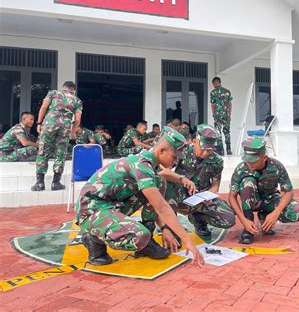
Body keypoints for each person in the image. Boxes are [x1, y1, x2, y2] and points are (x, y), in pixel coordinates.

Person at [75, 126, 204, 267]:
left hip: (111, 204)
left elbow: (162, 181)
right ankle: (94, 239)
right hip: (91, 209)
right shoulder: (142, 166)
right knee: (139, 236)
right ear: (161, 151)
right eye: (175, 157)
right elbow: (161, 207)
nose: (175, 162)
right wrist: (188, 241)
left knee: (159, 182)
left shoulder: (149, 163)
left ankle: (146, 240)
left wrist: (165, 229)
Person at [159, 124, 235, 237]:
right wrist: (182, 180)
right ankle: (171, 228)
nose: (205, 153)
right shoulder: (181, 152)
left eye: (209, 150)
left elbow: (215, 185)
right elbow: (162, 172)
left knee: (229, 219)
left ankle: (198, 219)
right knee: (168, 184)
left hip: (200, 198)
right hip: (179, 196)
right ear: (194, 141)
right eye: (203, 149)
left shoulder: (216, 161)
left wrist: (209, 196)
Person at [228, 137, 299, 244]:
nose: (249, 163)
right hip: (251, 203)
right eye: (247, 159)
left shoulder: (276, 166)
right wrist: (243, 221)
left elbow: (289, 192)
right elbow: (232, 196)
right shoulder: (241, 169)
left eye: (253, 160)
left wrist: (276, 213)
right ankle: (248, 229)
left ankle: (264, 216)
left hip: (270, 200)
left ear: (264, 157)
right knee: (247, 182)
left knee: (297, 211)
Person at [32, 81, 82, 191]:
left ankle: (40, 183)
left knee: (43, 151)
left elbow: (44, 107)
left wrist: (39, 123)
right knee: (61, 153)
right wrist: (73, 131)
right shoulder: (77, 100)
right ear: (73, 90)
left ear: (63, 88)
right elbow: (77, 120)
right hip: (65, 128)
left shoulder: (53, 93)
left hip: (49, 124)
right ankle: (56, 183)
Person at [210, 76, 233, 155]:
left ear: (216, 83)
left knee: (218, 132)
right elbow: (230, 104)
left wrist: (213, 114)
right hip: (226, 115)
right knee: (227, 132)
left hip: (218, 116)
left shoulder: (213, 92)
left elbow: (212, 105)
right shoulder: (227, 91)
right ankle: (229, 149)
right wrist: (229, 114)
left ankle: (221, 150)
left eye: (213, 84)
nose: (213, 85)